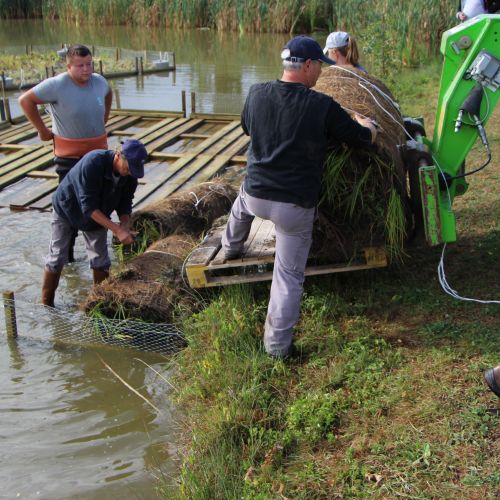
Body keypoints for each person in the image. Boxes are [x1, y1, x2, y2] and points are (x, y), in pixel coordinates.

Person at [221, 36, 377, 359]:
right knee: (288, 275)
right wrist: (368, 126)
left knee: (242, 202)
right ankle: (278, 348)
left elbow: (247, 129)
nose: (321, 71)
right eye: (319, 65)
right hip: (293, 207)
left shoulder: (256, 93)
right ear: (307, 66)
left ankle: (229, 247)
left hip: (256, 194)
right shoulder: (321, 106)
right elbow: (361, 139)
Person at [19, 44, 113, 262]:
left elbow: (108, 94)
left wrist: (104, 118)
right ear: (69, 66)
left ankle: (98, 254)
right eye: (80, 66)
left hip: (98, 155)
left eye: (89, 64)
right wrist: (42, 131)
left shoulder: (100, 81)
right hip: (69, 157)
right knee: (69, 206)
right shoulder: (57, 85)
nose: (86, 69)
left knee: (98, 203)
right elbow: (25, 100)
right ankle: (67, 257)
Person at [41, 139, 148, 307]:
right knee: (57, 257)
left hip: (99, 213)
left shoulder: (130, 176)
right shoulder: (93, 162)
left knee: (101, 260)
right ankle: (46, 305)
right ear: (119, 155)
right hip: (67, 209)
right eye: (128, 168)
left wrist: (125, 225)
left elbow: (126, 202)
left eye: (134, 170)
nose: (129, 173)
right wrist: (117, 230)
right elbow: (88, 207)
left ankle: (99, 304)